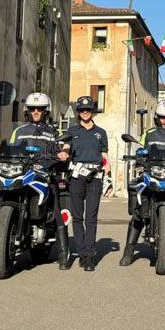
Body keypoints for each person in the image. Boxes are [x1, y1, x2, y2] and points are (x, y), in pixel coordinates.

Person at [120, 99, 165, 266]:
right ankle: (129, 251)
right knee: (138, 210)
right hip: (152, 173)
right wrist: (138, 160)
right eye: (162, 117)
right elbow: (139, 150)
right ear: (156, 117)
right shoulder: (149, 133)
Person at [4, 91, 71, 268]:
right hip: (22, 173)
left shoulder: (53, 132)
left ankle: (64, 253)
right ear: (27, 111)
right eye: (32, 108)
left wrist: (63, 153)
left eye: (39, 108)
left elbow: (63, 148)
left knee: (56, 208)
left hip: (45, 174)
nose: (35, 111)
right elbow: (11, 150)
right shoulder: (18, 131)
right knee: (1, 199)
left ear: (45, 111)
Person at [62, 95, 108, 272]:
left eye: (88, 109)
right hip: (76, 176)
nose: (85, 112)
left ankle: (89, 256)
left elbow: (104, 156)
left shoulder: (101, 133)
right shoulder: (72, 131)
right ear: (78, 112)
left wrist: (108, 173)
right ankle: (81, 252)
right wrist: (64, 153)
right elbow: (66, 148)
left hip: (95, 177)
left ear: (93, 111)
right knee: (78, 216)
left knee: (91, 217)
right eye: (82, 110)